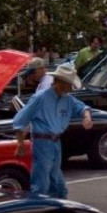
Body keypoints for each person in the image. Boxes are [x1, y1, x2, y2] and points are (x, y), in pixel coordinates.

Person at [13, 64, 93, 198]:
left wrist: (87, 116)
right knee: (41, 185)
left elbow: (82, 107)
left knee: (58, 185)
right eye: (69, 85)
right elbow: (20, 120)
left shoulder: (67, 99)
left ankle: (58, 211)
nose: (70, 89)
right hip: (42, 142)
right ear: (60, 83)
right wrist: (20, 144)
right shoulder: (40, 98)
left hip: (56, 142)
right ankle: (39, 211)